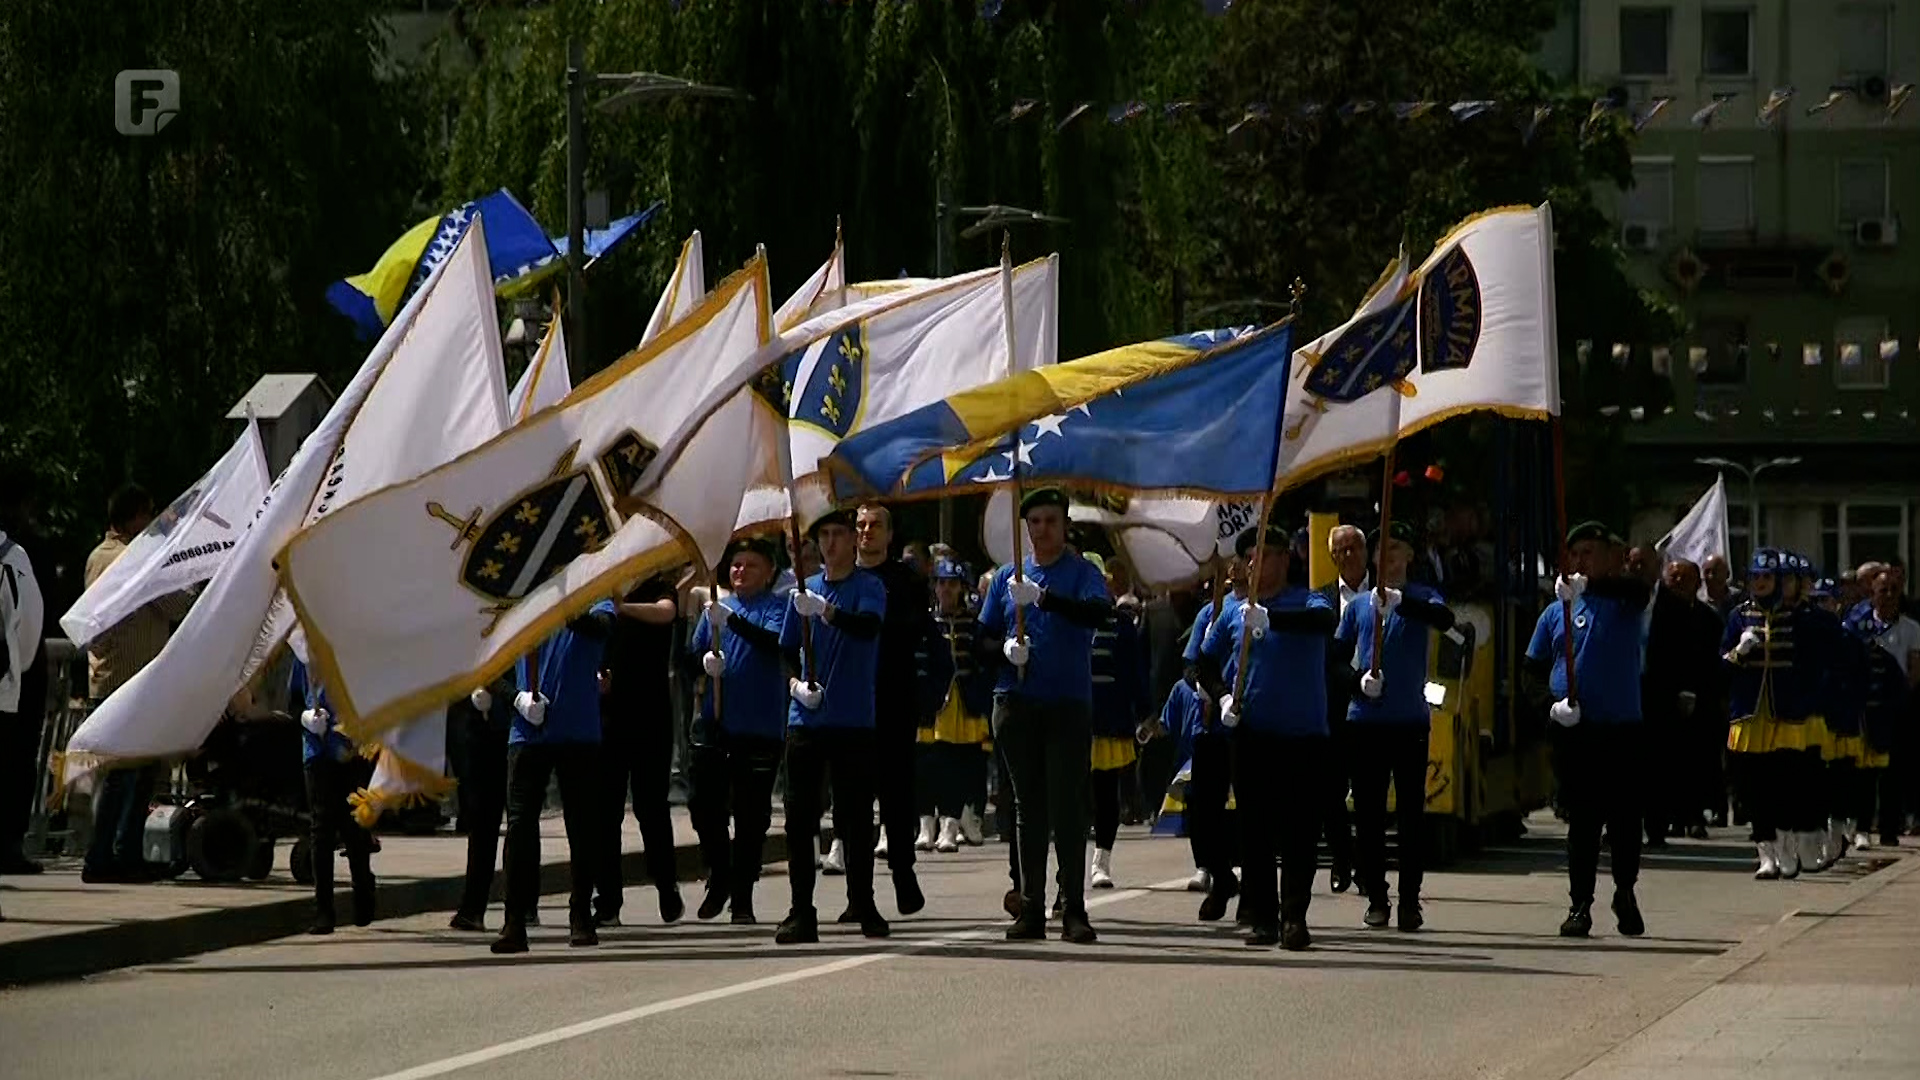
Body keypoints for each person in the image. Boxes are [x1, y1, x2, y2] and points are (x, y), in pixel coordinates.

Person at [977, 488, 1111, 944]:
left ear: (1064, 524)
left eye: (1050, 521)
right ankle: (1031, 905)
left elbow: (1099, 611)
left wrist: (1046, 599)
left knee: (1068, 806)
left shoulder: (1081, 573)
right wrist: (1005, 650)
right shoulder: (1005, 579)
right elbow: (982, 641)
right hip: (1015, 703)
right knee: (1027, 808)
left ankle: (1073, 906)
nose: (1042, 530)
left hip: (1066, 703)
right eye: (1034, 522)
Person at [1195, 522, 1337, 950]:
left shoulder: (1307, 599)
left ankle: (1295, 916)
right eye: (1250, 556)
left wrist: (1272, 618)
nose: (1254, 563)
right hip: (1252, 735)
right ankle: (1263, 916)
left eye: (1265, 554)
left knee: (1299, 831)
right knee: (1254, 831)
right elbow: (1203, 662)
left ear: (1283, 559)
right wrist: (1220, 698)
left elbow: (1323, 621)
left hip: (1303, 735)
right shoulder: (1234, 612)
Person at [1523, 522, 1651, 939]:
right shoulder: (1556, 609)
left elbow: (1638, 588)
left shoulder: (1625, 600)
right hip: (1577, 732)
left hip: (1622, 729)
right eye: (1574, 554)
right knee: (1583, 822)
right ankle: (1580, 904)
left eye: (1589, 553)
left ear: (1609, 558)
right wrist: (1551, 705)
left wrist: (1593, 585)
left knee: (1626, 820)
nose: (1580, 561)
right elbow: (1532, 671)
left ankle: (1625, 890)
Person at [1333, 521, 1454, 932]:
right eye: (1380, 550)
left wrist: (1402, 603)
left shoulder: (1421, 595)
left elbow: (1444, 617)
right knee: (1367, 815)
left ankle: (1409, 900)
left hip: (1409, 722)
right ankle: (1377, 897)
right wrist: (1357, 682)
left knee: (1410, 815)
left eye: (1395, 548)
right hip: (1365, 721)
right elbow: (1334, 658)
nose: (1387, 557)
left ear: (1408, 556)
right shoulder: (1360, 606)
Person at [775, 510, 890, 944]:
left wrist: (827, 612)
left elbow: (868, 627)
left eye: (838, 534)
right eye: (823, 536)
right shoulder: (801, 593)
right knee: (799, 818)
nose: (831, 543)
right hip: (806, 718)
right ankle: (801, 909)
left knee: (855, 816)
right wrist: (794, 684)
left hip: (852, 719)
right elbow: (786, 649)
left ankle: (863, 900)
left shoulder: (868, 587)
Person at [81, 485, 194, 884]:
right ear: (132, 519)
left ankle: (119, 853)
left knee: (132, 772)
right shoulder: (132, 559)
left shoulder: (103, 556)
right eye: (147, 514)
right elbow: (174, 605)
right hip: (128, 680)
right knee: (126, 774)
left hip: (123, 679)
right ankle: (107, 855)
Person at [491, 598, 618, 954]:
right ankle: (514, 920)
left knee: (581, 825)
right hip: (528, 731)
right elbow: (491, 666)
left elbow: (601, 630)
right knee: (519, 826)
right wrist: (515, 698)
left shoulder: (597, 598)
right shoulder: (517, 603)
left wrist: (558, 607)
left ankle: (581, 915)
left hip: (577, 730)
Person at [686, 539, 789, 924]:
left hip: (758, 727)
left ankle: (742, 896)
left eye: (750, 565)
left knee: (750, 817)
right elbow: (688, 660)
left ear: (768, 573)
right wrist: (703, 661)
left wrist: (733, 623)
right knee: (703, 805)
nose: (740, 571)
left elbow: (773, 644)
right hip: (716, 724)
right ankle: (720, 873)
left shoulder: (776, 608)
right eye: (735, 565)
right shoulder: (714, 609)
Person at [1722, 550, 1833, 883]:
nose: (1761, 582)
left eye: (1768, 578)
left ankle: (1787, 850)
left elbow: (1812, 665)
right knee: (1752, 787)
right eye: (1756, 576)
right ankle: (1765, 853)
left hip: (1787, 715)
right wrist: (1738, 653)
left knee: (1785, 784)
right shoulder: (1738, 616)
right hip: (1750, 715)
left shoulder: (1797, 617)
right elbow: (1721, 666)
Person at [852, 503, 931, 918]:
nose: (866, 532)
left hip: (894, 701)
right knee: (854, 801)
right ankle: (858, 893)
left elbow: (926, 638)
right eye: (860, 525)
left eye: (875, 525)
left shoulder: (907, 581)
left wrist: (929, 701)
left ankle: (903, 873)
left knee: (897, 796)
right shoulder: (841, 578)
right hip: (848, 704)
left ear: (889, 533)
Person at [593, 571, 683, 928]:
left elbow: (666, 612)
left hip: (651, 715)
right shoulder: (599, 589)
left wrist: (622, 607)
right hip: (607, 716)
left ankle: (666, 885)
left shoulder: (658, 585)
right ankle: (608, 900)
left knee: (651, 807)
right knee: (605, 811)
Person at [288, 660, 376, 934]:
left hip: (352, 748)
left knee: (353, 826)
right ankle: (323, 911)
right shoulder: (303, 656)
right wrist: (304, 718)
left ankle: (363, 888)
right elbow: (293, 701)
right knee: (321, 828)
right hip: (316, 751)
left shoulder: (353, 646)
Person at [1642, 558, 1726, 843]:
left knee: (1695, 761)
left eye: (1684, 577)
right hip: (1659, 699)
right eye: (1673, 576)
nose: (1678, 581)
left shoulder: (1708, 618)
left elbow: (1712, 662)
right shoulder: (1652, 612)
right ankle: (1667, 819)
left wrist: (1694, 691)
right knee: (1663, 762)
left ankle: (1692, 816)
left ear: (1697, 583)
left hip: (1698, 702)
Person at [1181, 560, 1246, 909]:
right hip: (1209, 724)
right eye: (1230, 563)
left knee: (1250, 809)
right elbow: (1192, 663)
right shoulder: (1211, 612)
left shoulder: (1257, 611)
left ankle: (1253, 890)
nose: (1237, 569)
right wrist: (1204, 686)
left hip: (1248, 723)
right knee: (1203, 811)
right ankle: (1221, 876)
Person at [1088, 552, 1149, 891]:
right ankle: (1067, 869)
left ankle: (1102, 859)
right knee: (1073, 797)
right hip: (1074, 720)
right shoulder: (1065, 620)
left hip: (1109, 720)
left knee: (1106, 794)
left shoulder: (1121, 623)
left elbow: (1134, 673)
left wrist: (1143, 712)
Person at [915, 560, 981, 859]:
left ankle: (950, 825)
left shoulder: (972, 622)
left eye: (952, 584)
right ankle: (926, 824)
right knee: (927, 765)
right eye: (941, 583)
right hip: (931, 700)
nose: (946, 590)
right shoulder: (926, 622)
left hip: (962, 701)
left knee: (955, 765)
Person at [1318, 523, 1371, 893]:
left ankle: (1369, 867)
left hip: (1375, 708)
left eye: (1354, 548)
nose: (1348, 555)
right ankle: (1342, 859)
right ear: (1332, 557)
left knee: (1369, 793)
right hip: (1335, 705)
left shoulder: (1385, 595)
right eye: (1341, 550)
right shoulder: (1319, 600)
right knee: (1331, 793)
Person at [0, 499, 47, 879]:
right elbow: (28, 626)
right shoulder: (13, 559)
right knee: (13, 768)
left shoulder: (14, 558)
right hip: (11, 684)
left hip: (13, 680)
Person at [449, 671, 515, 932]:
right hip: (478, 722)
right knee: (482, 822)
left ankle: (519, 907)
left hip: (514, 721)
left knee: (515, 823)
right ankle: (475, 908)